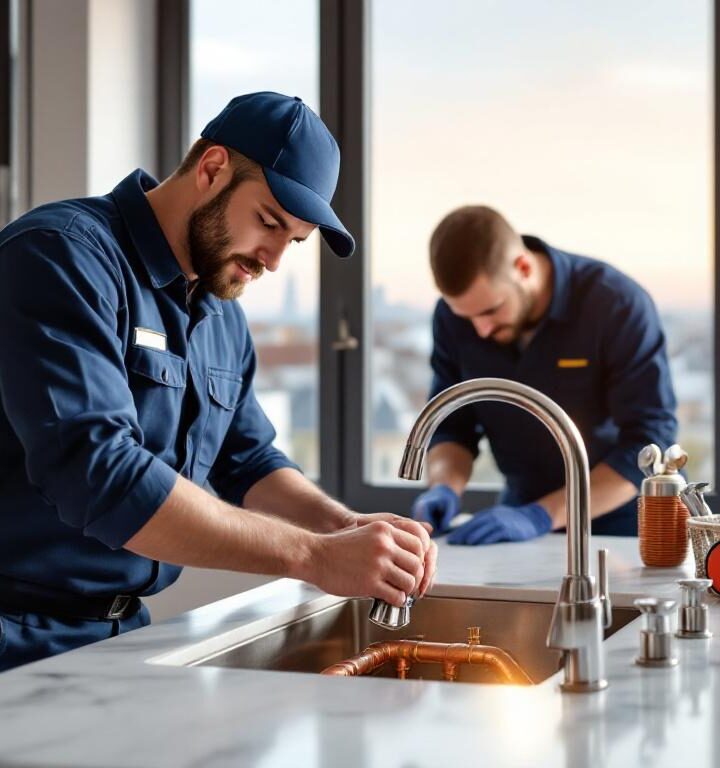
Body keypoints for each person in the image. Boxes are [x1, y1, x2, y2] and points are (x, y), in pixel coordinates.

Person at [0, 92, 436, 671]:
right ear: (211, 169)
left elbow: (246, 459)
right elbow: (100, 474)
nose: (275, 259)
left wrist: (344, 525)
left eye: (294, 240)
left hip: (120, 636)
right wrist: (313, 556)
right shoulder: (62, 257)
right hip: (14, 633)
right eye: (268, 222)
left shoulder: (220, 311)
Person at [411, 205, 677, 544]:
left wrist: (542, 515)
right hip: (520, 514)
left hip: (628, 522)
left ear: (522, 267)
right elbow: (452, 425)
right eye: (468, 317)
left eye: (491, 310)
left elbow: (649, 442)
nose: (481, 329)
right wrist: (444, 486)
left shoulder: (615, 304)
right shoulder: (453, 318)